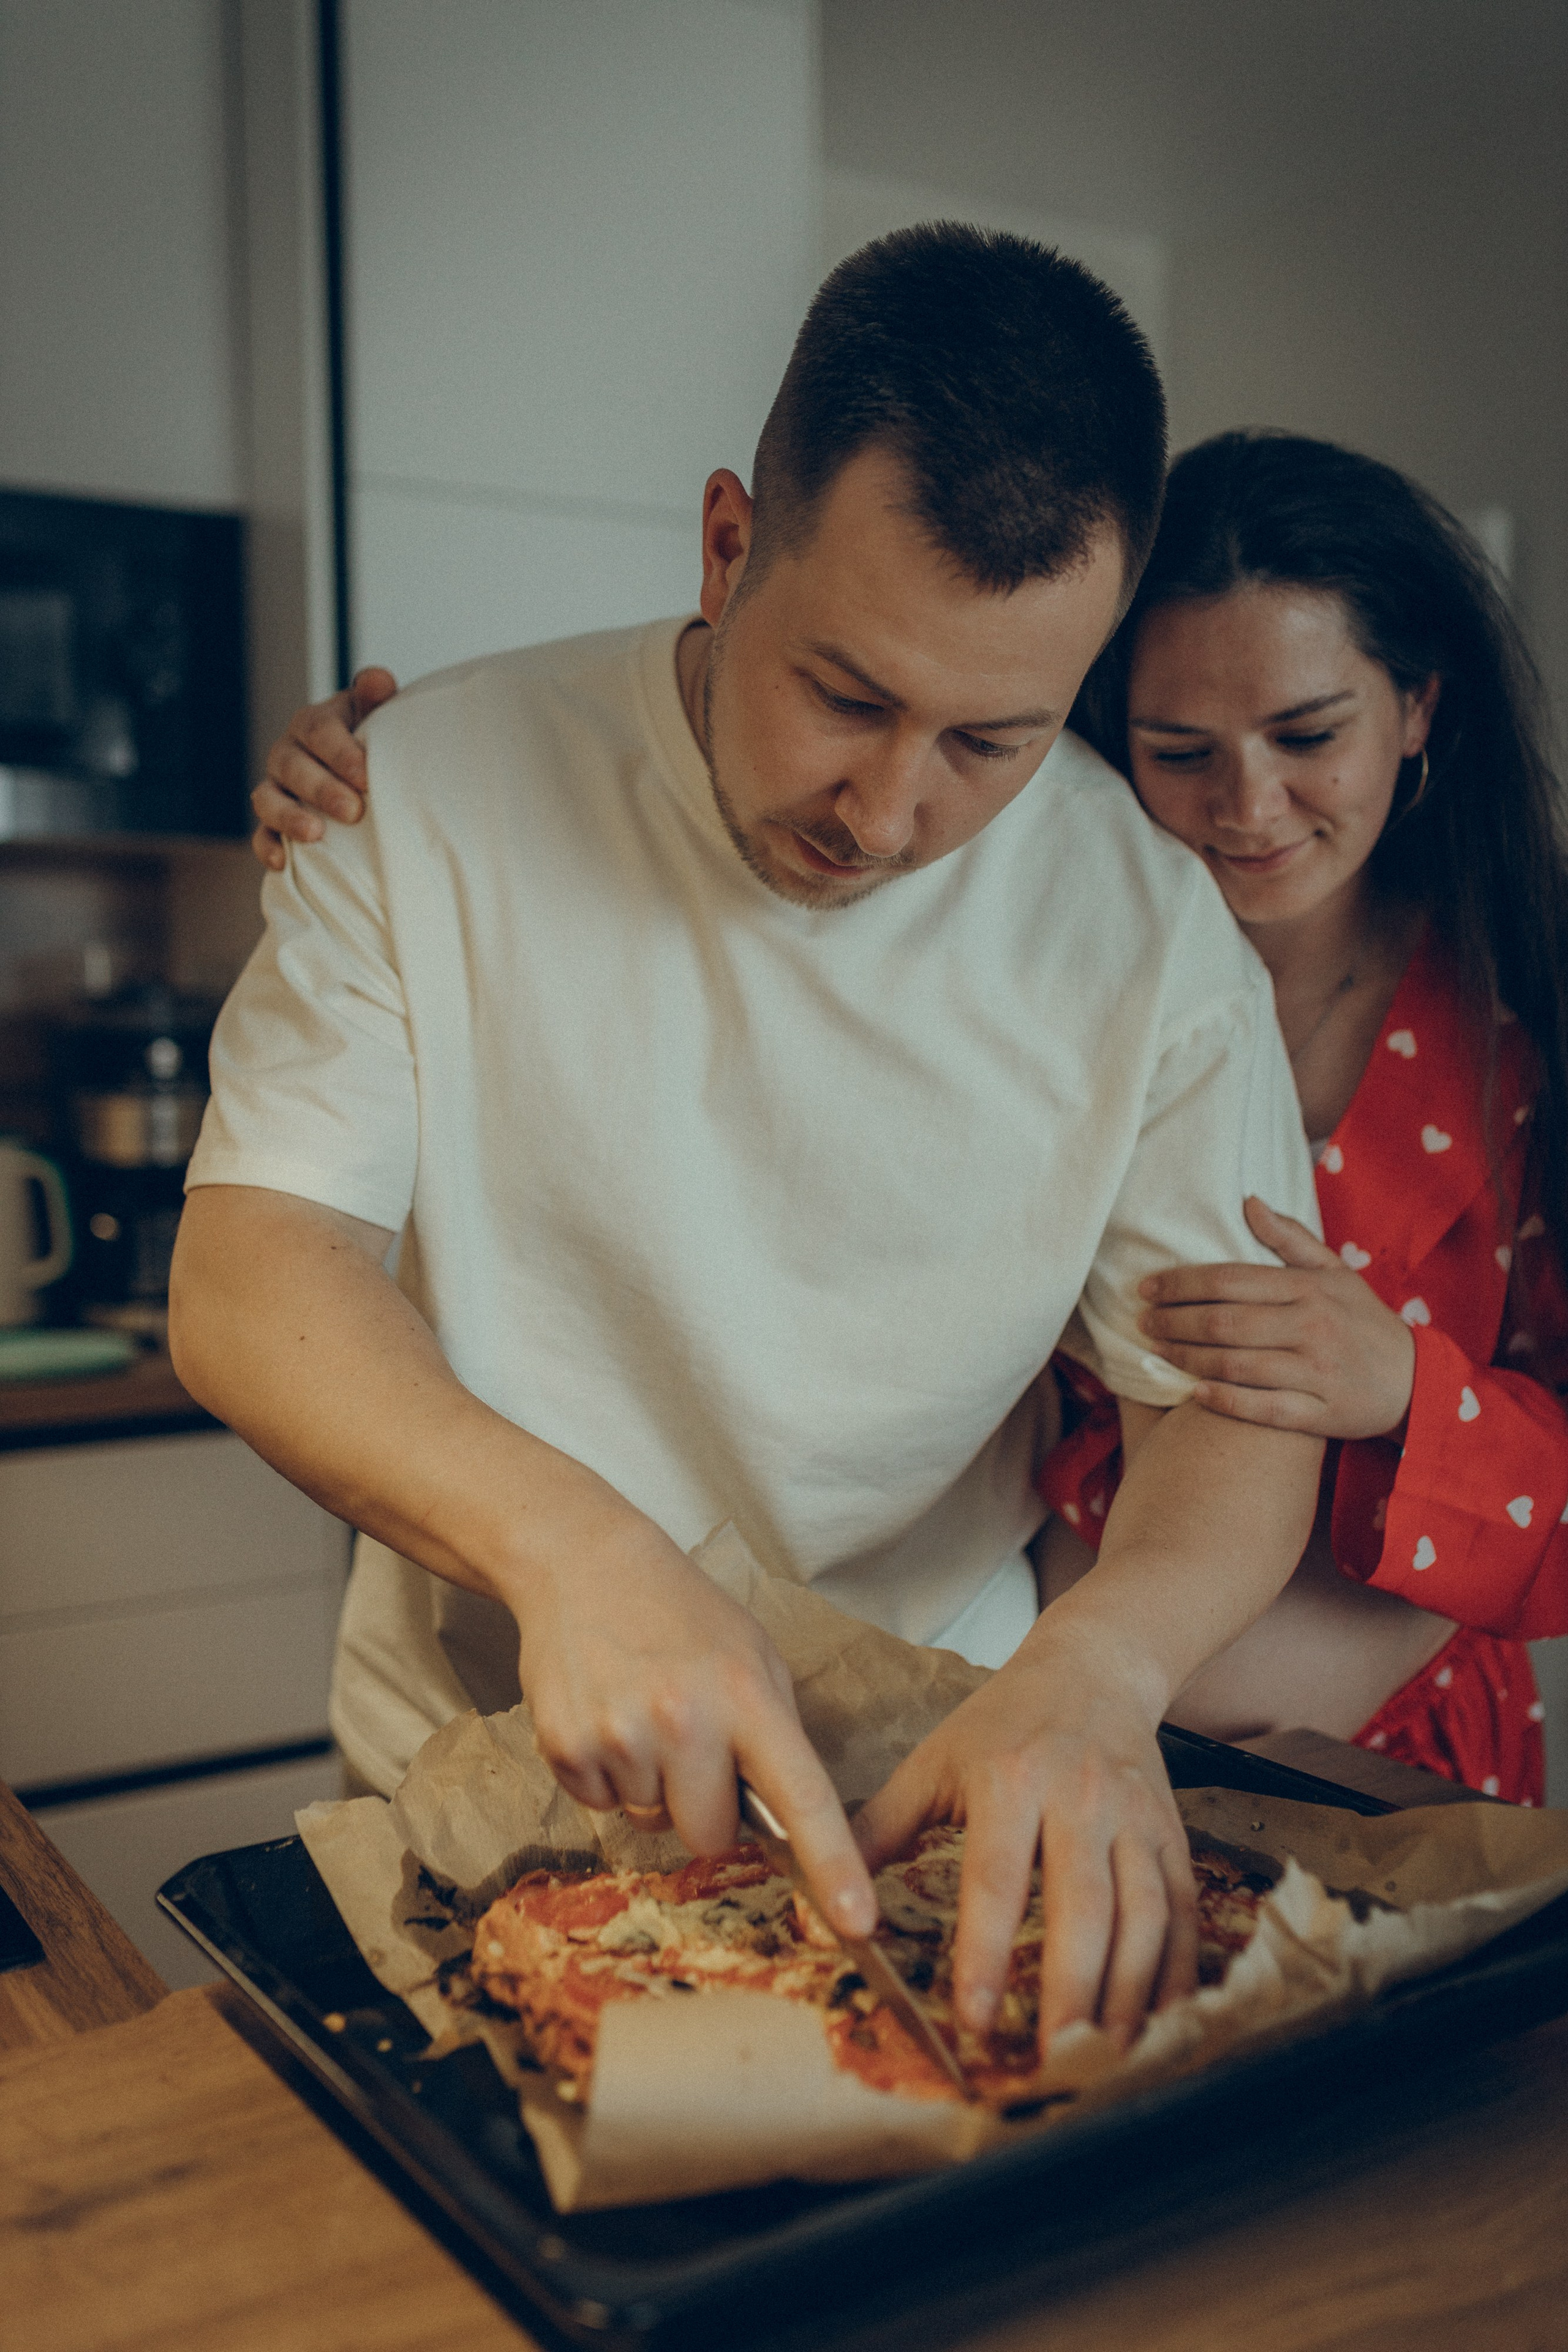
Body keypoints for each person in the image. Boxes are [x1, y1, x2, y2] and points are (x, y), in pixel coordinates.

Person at [178, 227, 1326, 2059]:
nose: (886, 813)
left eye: (992, 741)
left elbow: (1232, 1402)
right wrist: (576, 1551)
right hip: (484, 1780)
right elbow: (251, 1278)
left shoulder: (1155, 934)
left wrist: (1105, 1665)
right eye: (848, 698)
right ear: (728, 541)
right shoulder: (432, 797)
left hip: (947, 1770)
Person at [1038, 429, 1568, 1804]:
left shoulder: (1529, 1013)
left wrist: (1403, 1388)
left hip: (1402, 1788)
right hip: (1061, 1744)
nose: (1246, 805)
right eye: (1178, 751)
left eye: (1306, 735)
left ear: (1418, 709)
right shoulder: (1041, 982)